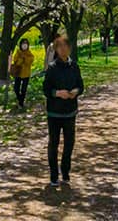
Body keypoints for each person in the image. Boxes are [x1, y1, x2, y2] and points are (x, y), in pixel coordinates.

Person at [42, 35, 84, 186]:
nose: (63, 49)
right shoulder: (52, 68)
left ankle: (65, 171)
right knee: (53, 143)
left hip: (70, 111)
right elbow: (46, 89)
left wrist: (75, 91)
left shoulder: (74, 66)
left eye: (65, 46)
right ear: (56, 49)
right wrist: (57, 93)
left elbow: (81, 85)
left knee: (69, 143)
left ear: (70, 48)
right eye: (60, 47)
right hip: (54, 112)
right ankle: (53, 175)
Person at [9, 39, 35, 111]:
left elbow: (30, 61)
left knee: (23, 89)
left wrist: (24, 58)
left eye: (26, 43)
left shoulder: (29, 53)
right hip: (18, 73)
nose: (24, 45)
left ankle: (21, 103)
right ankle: (20, 100)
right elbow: (16, 61)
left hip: (26, 74)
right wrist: (21, 59)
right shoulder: (18, 52)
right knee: (16, 88)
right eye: (23, 43)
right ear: (20, 44)